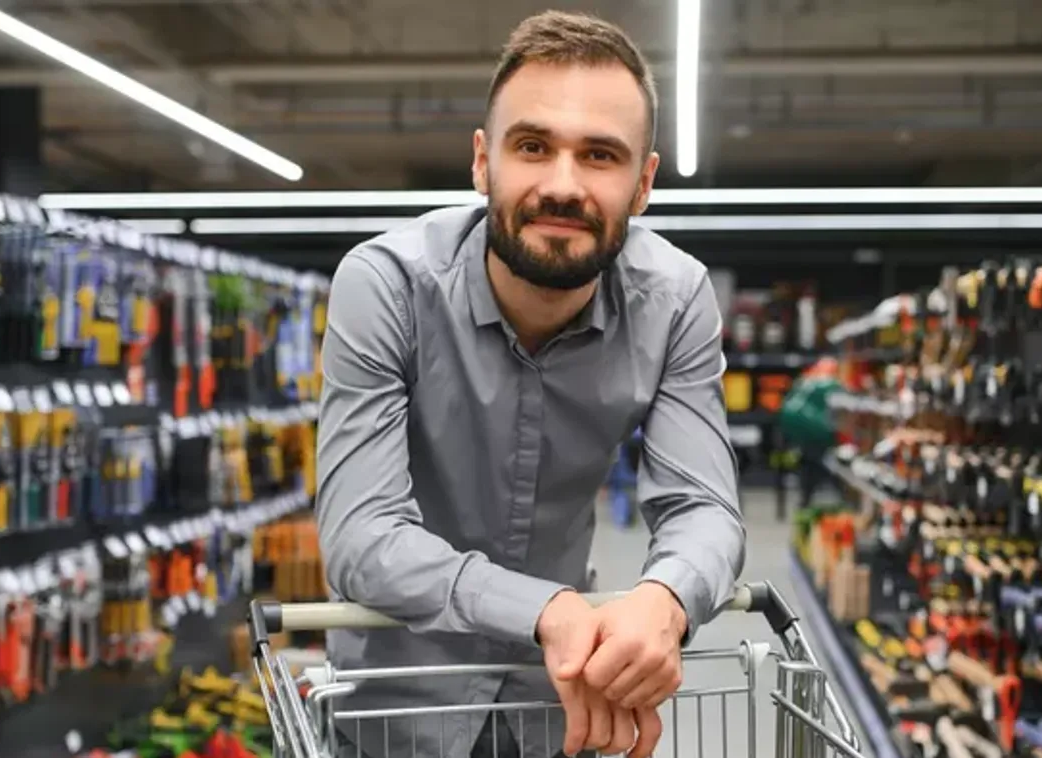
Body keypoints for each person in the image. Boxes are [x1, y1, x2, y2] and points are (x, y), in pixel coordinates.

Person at [313, 10, 746, 758]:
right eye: (533, 146)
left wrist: (665, 597)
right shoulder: (386, 286)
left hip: (562, 703)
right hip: (396, 707)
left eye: (600, 155)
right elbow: (361, 534)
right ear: (483, 163)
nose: (562, 185)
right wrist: (546, 609)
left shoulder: (674, 300)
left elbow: (703, 505)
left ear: (643, 184)